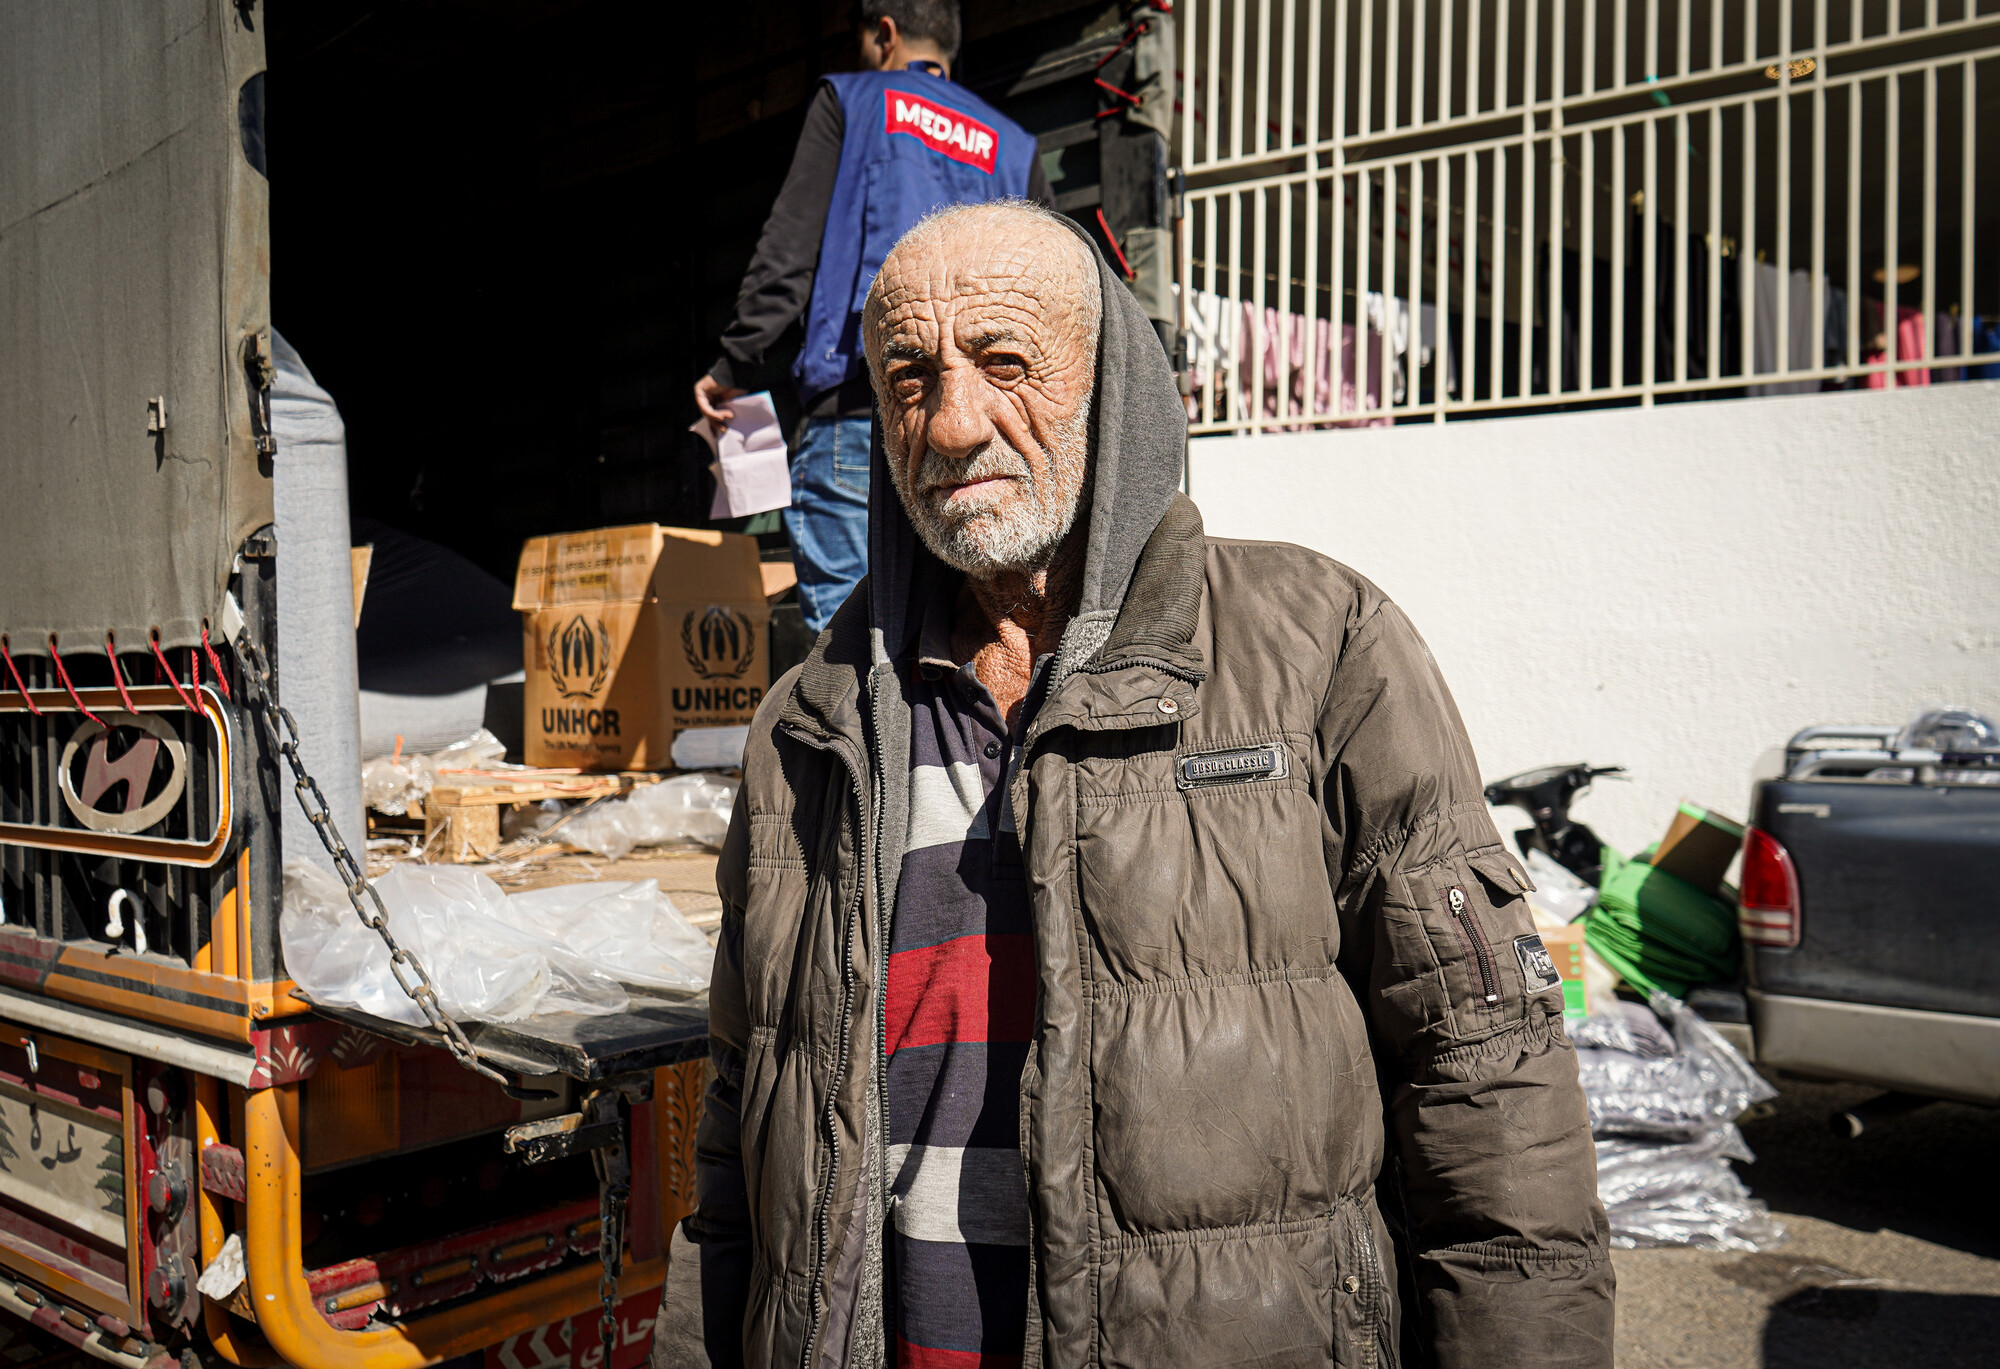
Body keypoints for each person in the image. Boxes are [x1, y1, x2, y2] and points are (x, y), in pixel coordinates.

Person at [688, 202, 1615, 1368]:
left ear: (1111, 385)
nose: (953, 423)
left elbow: (1489, 1075)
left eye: (1005, 363)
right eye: (908, 379)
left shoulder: (1320, 646)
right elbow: (736, 1124)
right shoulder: (807, 724)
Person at [694, 0, 1051, 633]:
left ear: (883, 34)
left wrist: (735, 360)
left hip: (860, 413)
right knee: (964, 628)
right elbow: (1053, 288)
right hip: (982, 428)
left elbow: (789, 251)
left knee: (848, 639)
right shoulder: (1013, 144)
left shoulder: (852, 103)